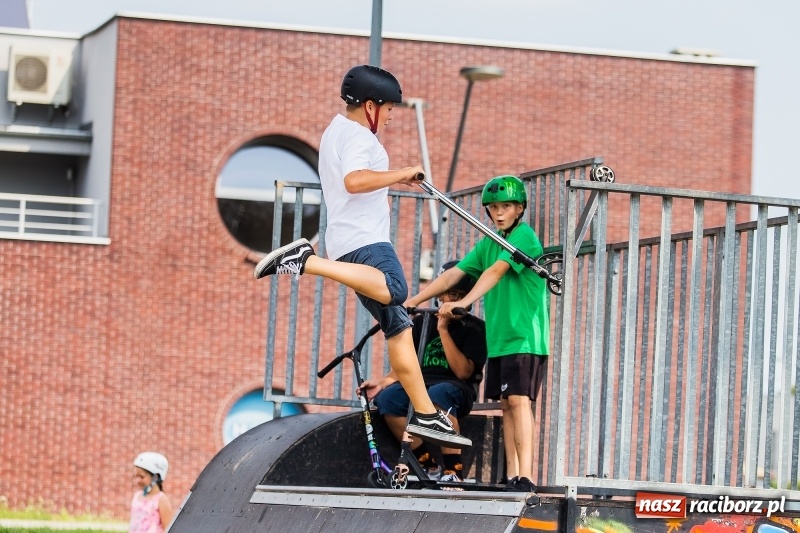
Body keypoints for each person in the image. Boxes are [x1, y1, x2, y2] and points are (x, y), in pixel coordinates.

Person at [253, 64, 470, 450]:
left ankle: (424, 413)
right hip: (366, 241)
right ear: (370, 106)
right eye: (388, 109)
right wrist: (400, 173)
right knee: (396, 288)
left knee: (398, 327)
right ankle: (307, 260)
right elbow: (354, 181)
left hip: (346, 240)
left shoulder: (335, 131)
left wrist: (392, 179)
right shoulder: (358, 137)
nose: (390, 117)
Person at [405, 175, 549, 493]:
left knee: (520, 401)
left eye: (506, 206)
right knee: (507, 405)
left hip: (524, 336)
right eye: (494, 208)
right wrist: (415, 299)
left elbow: (496, 271)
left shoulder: (523, 237)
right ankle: (512, 475)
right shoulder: (489, 242)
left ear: (520, 208)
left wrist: (465, 302)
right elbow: (455, 275)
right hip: (499, 339)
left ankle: (526, 476)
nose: (499, 213)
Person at [359, 261, 487, 483]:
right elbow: (406, 365)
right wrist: (382, 382)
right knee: (388, 399)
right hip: (423, 385)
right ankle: (428, 465)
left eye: (455, 295)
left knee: (438, 394)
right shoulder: (421, 323)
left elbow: (463, 373)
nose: (447, 300)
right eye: (443, 294)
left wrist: (443, 329)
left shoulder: (475, 328)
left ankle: (453, 472)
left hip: (455, 389)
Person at [130, 452, 173, 533]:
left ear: (155, 477)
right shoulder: (137, 496)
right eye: (136, 476)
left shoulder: (161, 499)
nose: (138, 480)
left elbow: (168, 529)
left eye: (142, 476)